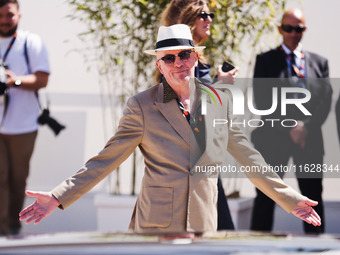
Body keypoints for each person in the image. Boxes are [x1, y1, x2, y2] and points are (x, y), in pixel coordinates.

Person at [20, 24, 321, 235]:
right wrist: (59, 196)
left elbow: (248, 157)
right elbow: (105, 160)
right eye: (168, 58)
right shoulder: (141, 106)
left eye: (184, 55)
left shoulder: (220, 100)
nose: (178, 63)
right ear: (160, 67)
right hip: (156, 227)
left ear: (196, 58)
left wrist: (290, 199)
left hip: (204, 225)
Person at [250, 8, 332, 234]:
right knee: (268, 194)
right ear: (280, 29)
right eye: (288, 28)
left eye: (298, 28)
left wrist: (306, 127)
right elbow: (263, 99)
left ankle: (317, 247)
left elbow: (325, 100)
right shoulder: (265, 61)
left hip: (310, 140)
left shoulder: (320, 62)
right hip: (274, 139)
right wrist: (292, 127)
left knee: (313, 195)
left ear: (304, 29)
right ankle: (258, 243)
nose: (293, 33)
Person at [159, 0, 238, 230]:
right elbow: (181, 109)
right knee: (218, 231)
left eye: (210, 14)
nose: (209, 19)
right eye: (203, 15)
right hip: (189, 163)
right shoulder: (174, 62)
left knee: (217, 229)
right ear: (188, 19)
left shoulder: (198, 62)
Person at [0, 0, 50, 236]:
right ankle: (1, 229)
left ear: (18, 15)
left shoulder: (30, 42)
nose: (4, 20)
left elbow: (42, 79)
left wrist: (14, 81)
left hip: (23, 125)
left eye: (9, 15)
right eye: (0, 15)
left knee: (18, 179)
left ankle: (12, 225)